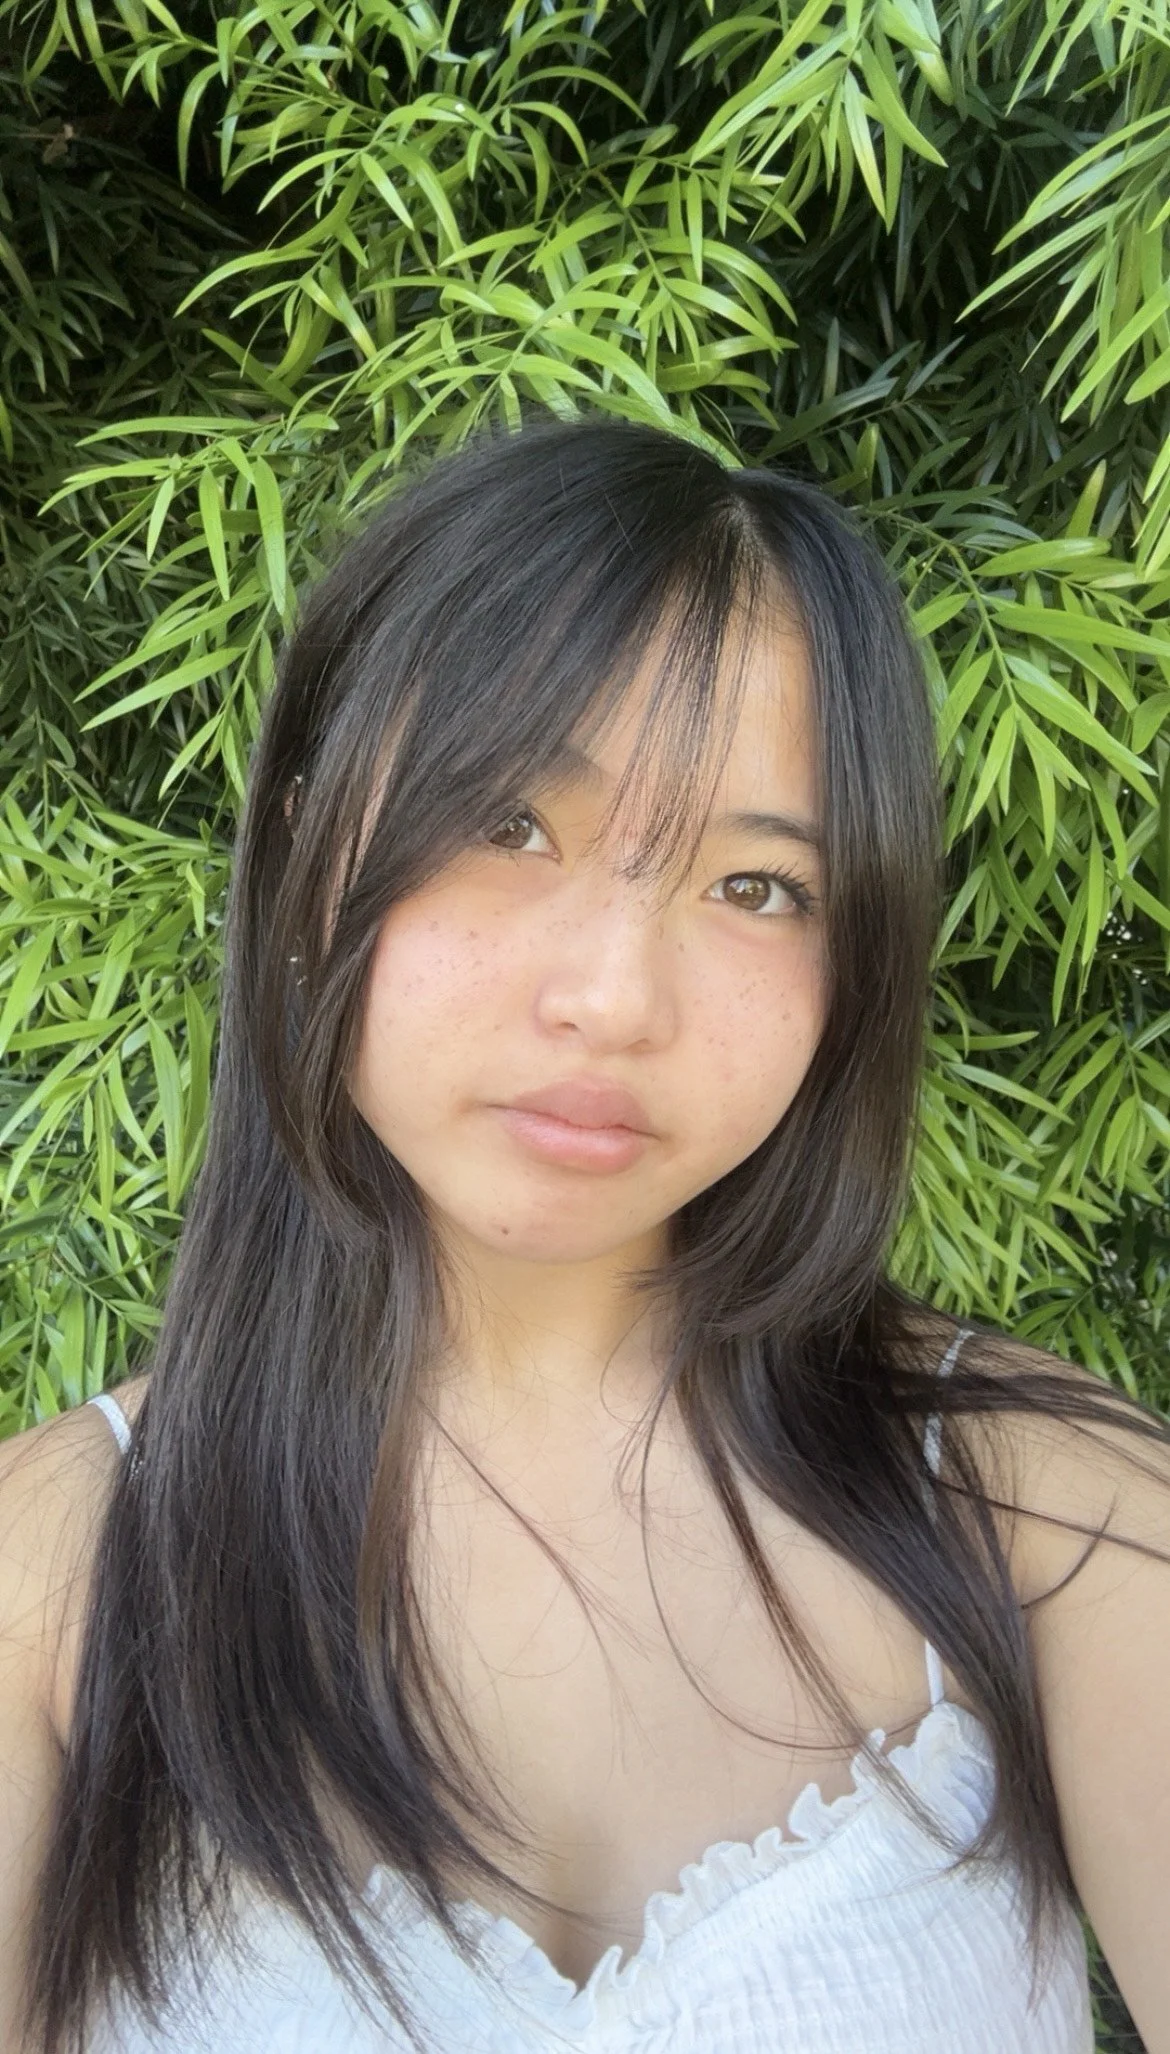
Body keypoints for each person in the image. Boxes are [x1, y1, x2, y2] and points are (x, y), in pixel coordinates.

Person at [1, 416, 1167, 2054]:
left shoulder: (1050, 1512)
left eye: (756, 886)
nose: (613, 997)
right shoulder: (54, 1580)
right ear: (307, 847)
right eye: (509, 823)